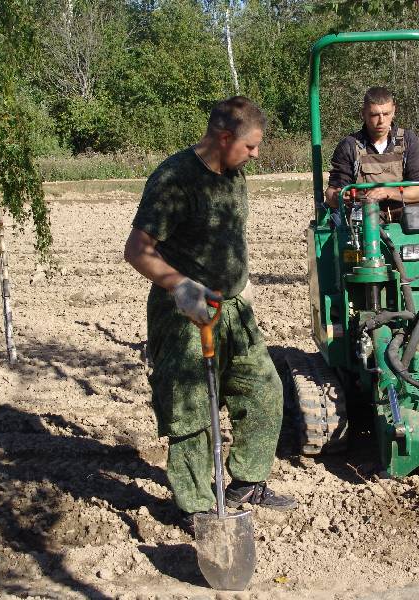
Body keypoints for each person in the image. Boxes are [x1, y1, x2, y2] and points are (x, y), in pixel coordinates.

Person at [124, 96, 296, 531]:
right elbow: (137, 250)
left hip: (236, 308)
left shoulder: (235, 174)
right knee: (192, 410)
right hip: (186, 312)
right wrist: (179, 286)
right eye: (251, 146)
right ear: (224, 137)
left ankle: (247, 482)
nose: (256, 155)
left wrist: (243, 284)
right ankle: (198, 505)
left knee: (264, 390)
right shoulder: (175, 180)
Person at [325, 86, 419, 217]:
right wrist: (342, 196)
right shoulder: (349, 145)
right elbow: (333, 192)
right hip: (364, 217)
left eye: (386, 114)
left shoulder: (408, 140)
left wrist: (388, 192)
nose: (381, 121)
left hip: (406, 217)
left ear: (393, 111)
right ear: (363, 113)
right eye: (374, 115)